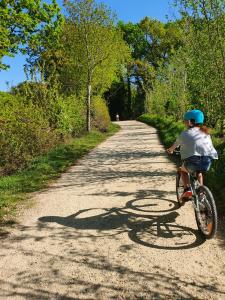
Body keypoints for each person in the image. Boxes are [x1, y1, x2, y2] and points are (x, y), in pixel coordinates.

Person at [166, 109, 218, 200]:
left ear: (190, 122)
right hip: (207, 161)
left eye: (185, 121)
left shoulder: (185, 133)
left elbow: (175, 145)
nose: (184, 123)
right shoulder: (206, 133)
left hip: (192, 162)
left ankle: (187, 189)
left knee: (183, 170)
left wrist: (170, 150)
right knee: (199, 172)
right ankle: (201, 192)